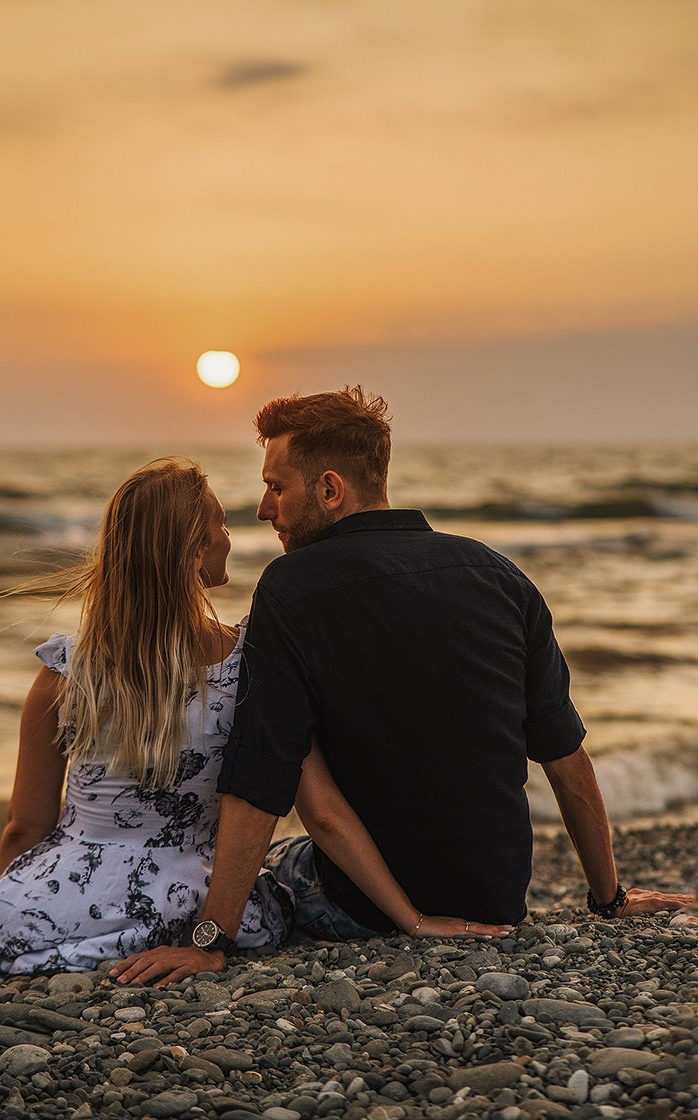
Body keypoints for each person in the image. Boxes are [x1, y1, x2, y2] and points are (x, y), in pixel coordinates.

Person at [110, 388, 697, 987]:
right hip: (495, 903)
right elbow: (566, 759)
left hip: (360, 909)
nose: (264, 510)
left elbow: (262, 778)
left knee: (277, 871)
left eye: (277, 488)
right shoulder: (499, 575)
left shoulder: (289, 590)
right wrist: (610, 898)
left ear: (330, 489)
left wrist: (211, 943)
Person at [0, 457, 505, 976]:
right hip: (187, 906)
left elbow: (26, 825)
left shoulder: (66, 671)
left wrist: (14, 901)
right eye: (220, 524)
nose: (230, 538)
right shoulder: (247, 664)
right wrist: (411, 918)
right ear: (193, 551)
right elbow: (323, 812)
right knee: (288, 869)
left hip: (65, 897)